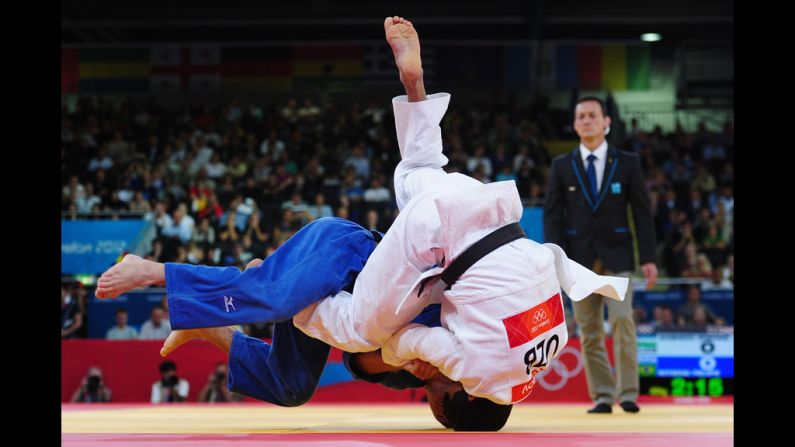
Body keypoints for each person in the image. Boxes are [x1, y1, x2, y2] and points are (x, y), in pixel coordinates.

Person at [96, 16, 626, 431]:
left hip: (484, 213)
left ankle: (415, 88)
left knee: (293, 384)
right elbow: (402, 348)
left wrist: (399, 354)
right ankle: (166, 272)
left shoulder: (523, 364)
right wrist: (409, 353)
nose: (429, 389)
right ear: (460, 393)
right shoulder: (475, 370)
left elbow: (381, 359)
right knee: (348, 328)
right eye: (436, 397)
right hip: (385, 248)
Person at [543, 95, 658, 414]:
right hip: (578, 261)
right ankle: (604, 396)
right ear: (575, 124)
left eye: (593, 115)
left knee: (623, 322)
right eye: (581, 116)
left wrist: (648, 258)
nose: (587, 121)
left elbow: (642, 213)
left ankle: (629, 393)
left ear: (606, 122)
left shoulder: (627, 162)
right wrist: (555, 258)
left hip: (617, 257)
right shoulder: (562, 166)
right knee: (588, 330)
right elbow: (553, 215)